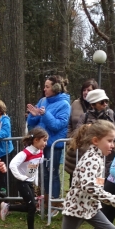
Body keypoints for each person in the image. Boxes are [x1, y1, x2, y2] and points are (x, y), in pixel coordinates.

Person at [27, 75, 71, 209]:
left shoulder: (64, 104)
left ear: (56, 88)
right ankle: (45, 200)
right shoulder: (42, 101)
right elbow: (31, 123)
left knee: (52, 172)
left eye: (47, 86)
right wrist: (33, 116)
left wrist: (45, 114)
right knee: (43, 173)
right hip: (41, 144)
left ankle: (55, 201)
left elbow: (57, 125)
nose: (44, 89)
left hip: (54, 145)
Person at [1, 127, 47, 229]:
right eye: (44, 140)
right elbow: (12, 165)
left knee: (30, 206)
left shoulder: (40, 152)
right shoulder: (25, 153)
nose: (45, 143)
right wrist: (21, 177)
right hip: (22, 182)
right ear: (36, 140)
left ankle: (8, 207)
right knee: (32, 207)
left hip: (29, 182)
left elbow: (35, 166)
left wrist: (35, 180)